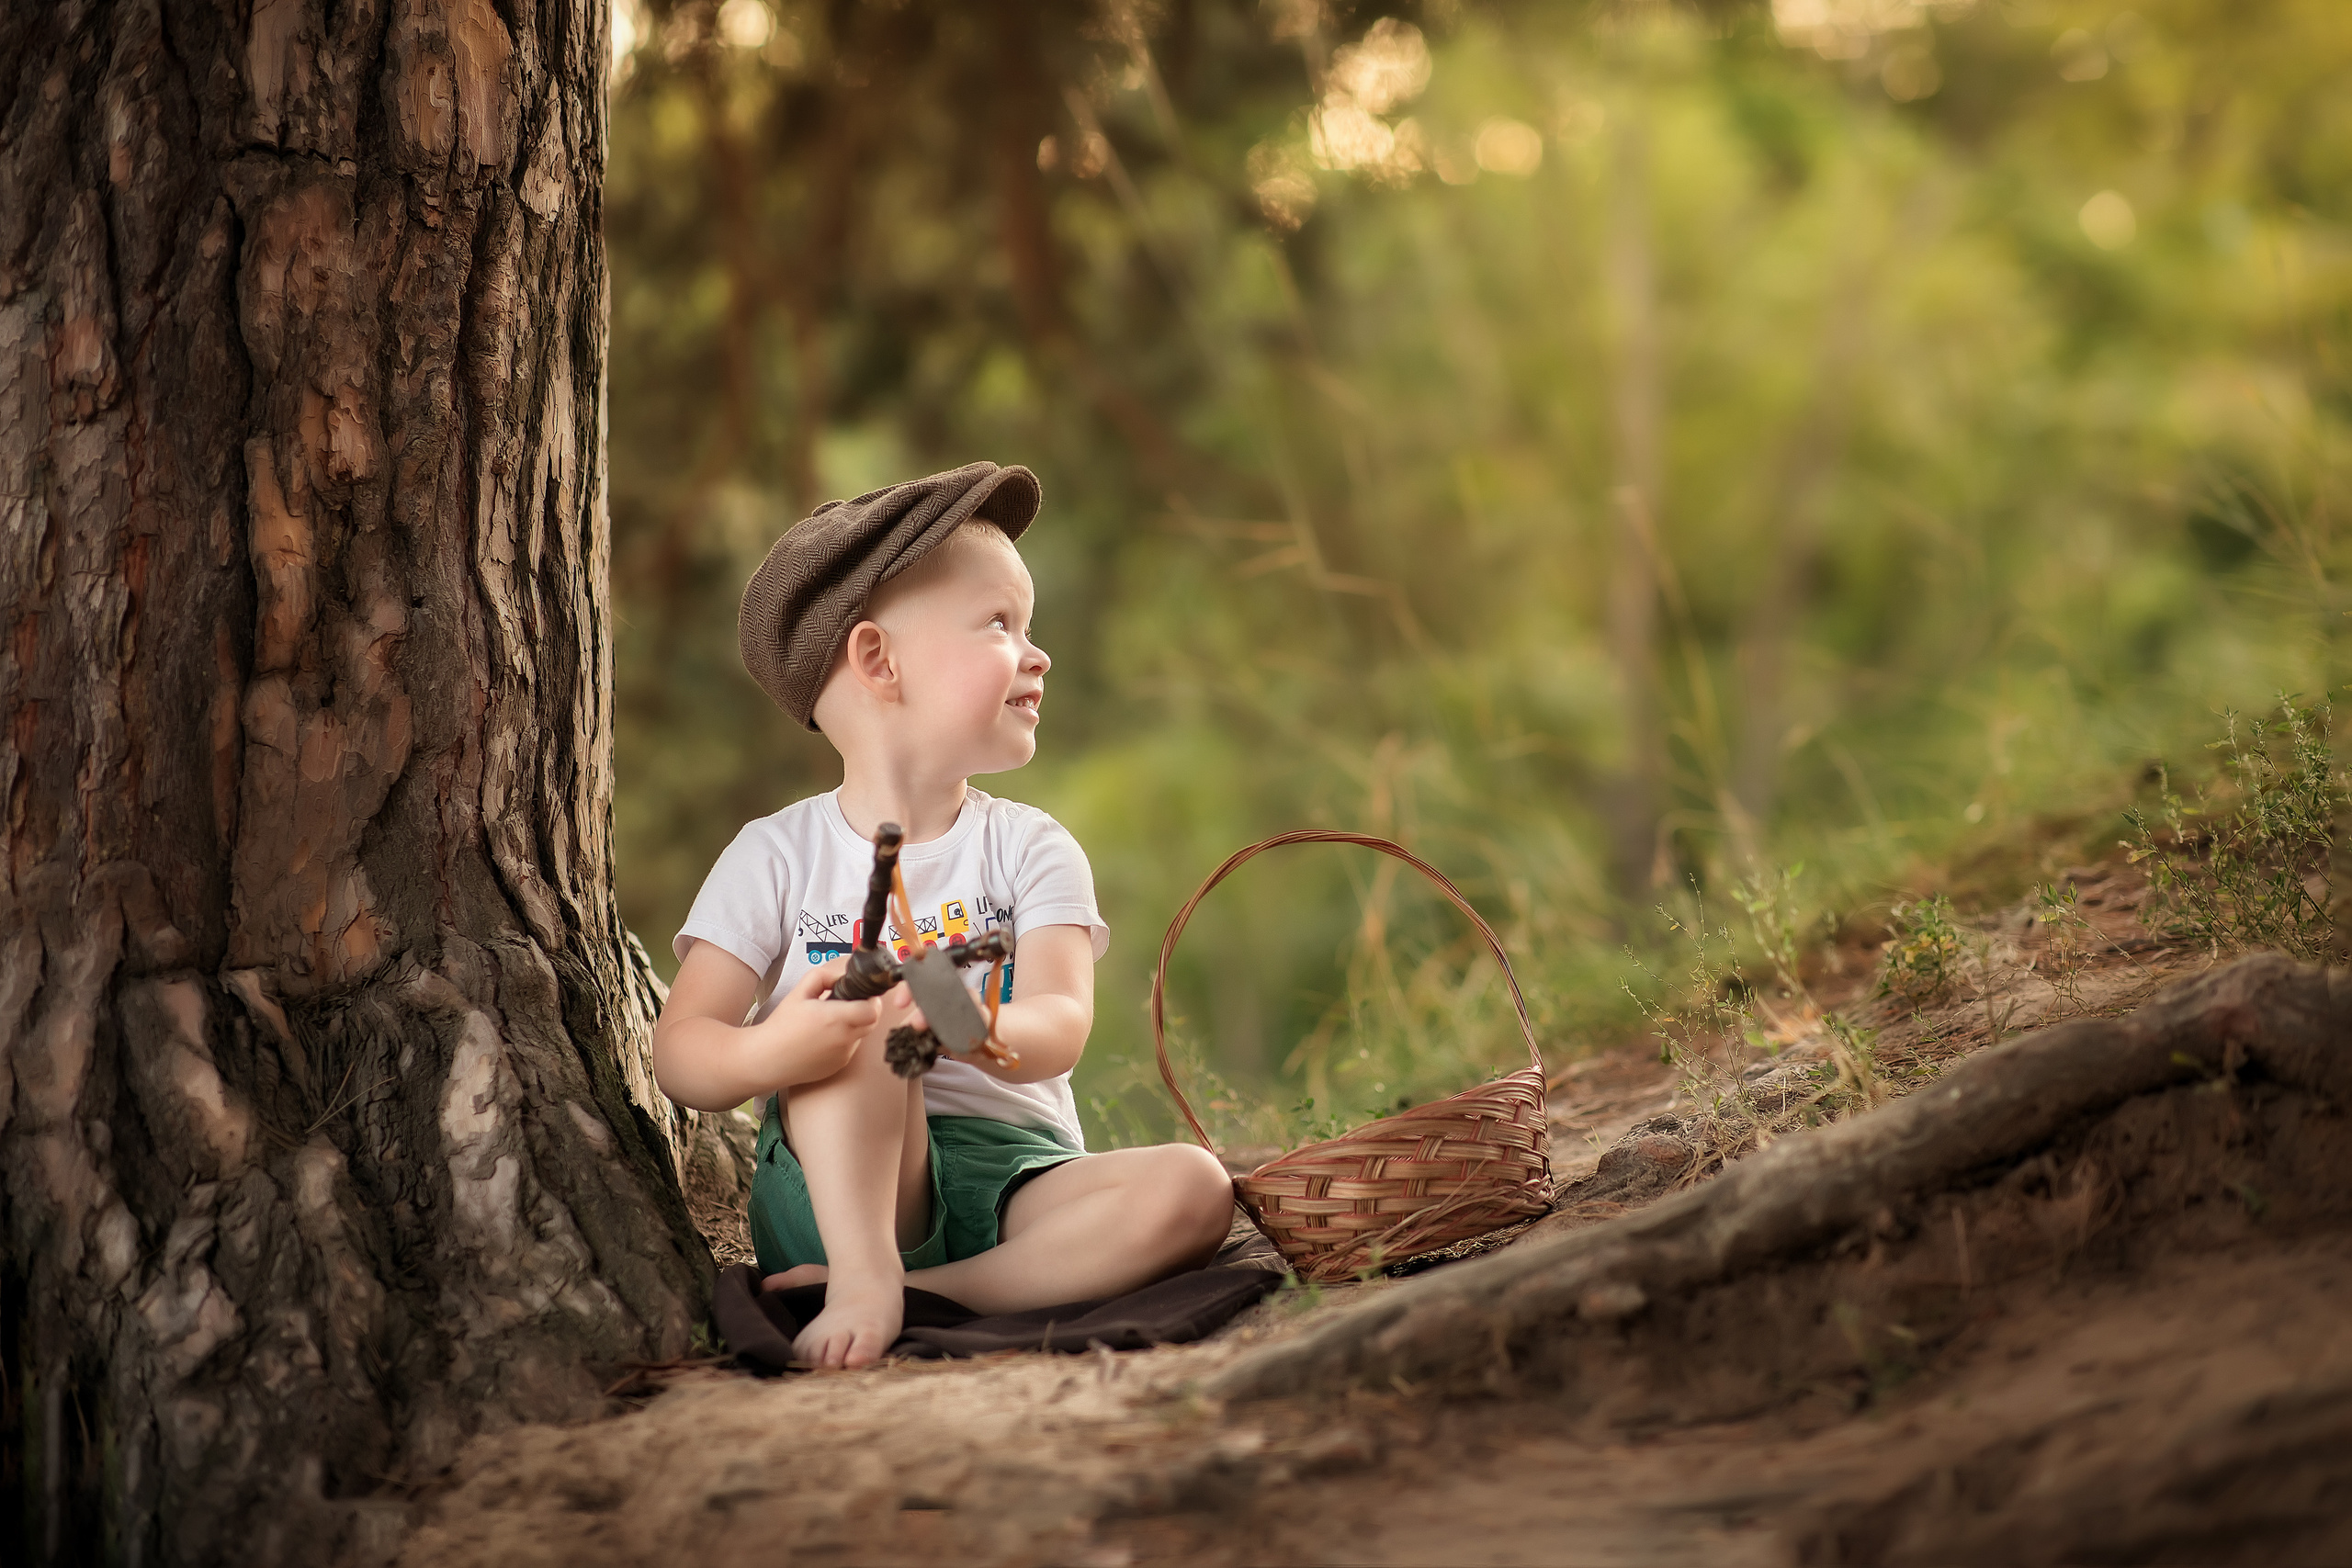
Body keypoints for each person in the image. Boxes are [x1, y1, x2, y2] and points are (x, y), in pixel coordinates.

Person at [652, 462, 1238, 1370]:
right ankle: (860, 1270)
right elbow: (681, 1048)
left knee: (1194, 1189)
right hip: (847, 1182)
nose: (1036, 654)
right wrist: (777, 1048)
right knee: (869, 1011)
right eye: (1001, 624)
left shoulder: (1033, 848)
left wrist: (961, 1019)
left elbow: (1062, 1023)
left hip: (1017, 1178)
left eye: (1028, 626)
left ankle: (937, 1295)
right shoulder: (775, 856)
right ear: (879, 661)